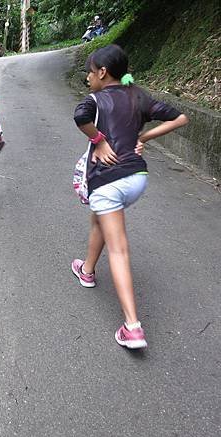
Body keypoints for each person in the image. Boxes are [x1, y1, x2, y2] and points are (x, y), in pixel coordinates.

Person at [72, 44, 189, 349]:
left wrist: (98, 140)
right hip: (137, 179)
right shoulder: (139, 96)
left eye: (89, 72)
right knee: (98, 220)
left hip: (109, 182)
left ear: (102, 72)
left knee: (119, 250)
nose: (87, 79)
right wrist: (144, 137)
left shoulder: (94, 99)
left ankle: (132, 327)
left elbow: (79, 115)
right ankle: (86, 270)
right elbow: (180, 119)